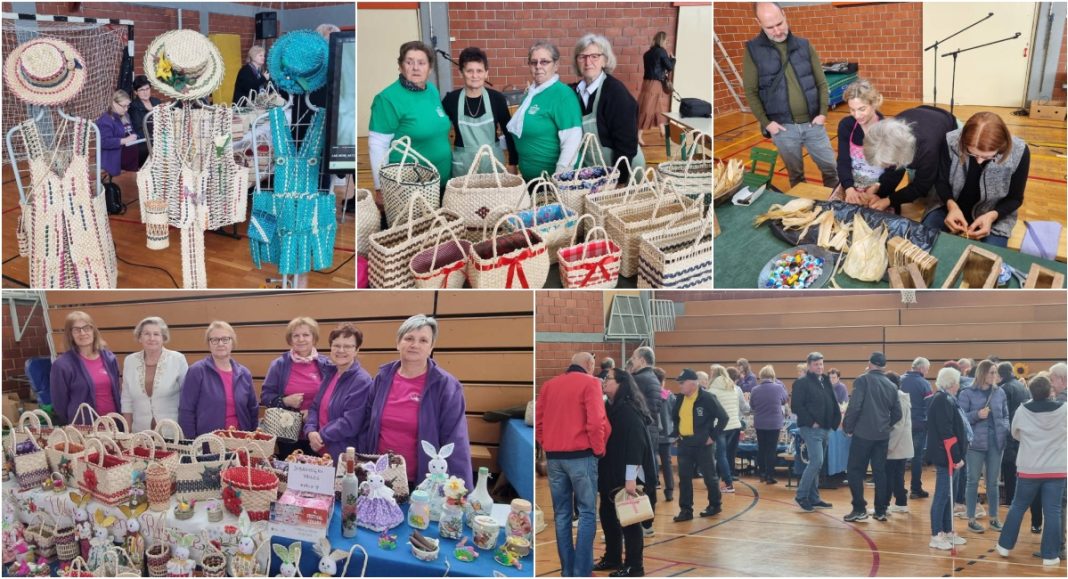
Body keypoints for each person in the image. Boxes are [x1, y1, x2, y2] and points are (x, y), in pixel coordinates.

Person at [360, 315, 473, 488]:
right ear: (398, 343)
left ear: (431, 347)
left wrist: (459, 491)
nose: (415, 345)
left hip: (423, 482)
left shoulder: (446, 385)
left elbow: (455, 441)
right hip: (380, 478)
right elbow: (367, 424)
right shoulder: (382, 378)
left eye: (423, 340)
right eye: (409, 338)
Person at [742, 2, 837, 188]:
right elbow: (751, 92)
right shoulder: (753, 50)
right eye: (770, 27)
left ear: (784, 15)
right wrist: (767, 123)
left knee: (831, 170)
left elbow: (821, 83)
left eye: (779, 24)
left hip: (813, 124)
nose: (777, 31)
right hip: (783, 129)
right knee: (796, 177)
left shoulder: (804, 45)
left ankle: (834, 208)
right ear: (758, 22)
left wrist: (822, 113)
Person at [536, 352, 608, 578]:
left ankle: (567, 571)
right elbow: (596, 422)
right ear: (588, 364)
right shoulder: (591, 383)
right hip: (581, 456)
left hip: (555, 457)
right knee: (587, 512)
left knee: (562, 514)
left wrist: (547, 443)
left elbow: (538, 421)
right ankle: (582, 571)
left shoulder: (549, 385)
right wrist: (598, 449)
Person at [924, 112, 1030, 247]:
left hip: (994, 214)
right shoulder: (951, 141)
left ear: (1002, 146)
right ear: (963, 141)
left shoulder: (1019, 151)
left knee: (989, 259)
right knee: (925, 242)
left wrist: (992, 216)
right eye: (972, 153)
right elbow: (941, 182)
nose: (979, 161)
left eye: (987, 157)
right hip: (947, 206)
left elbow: (1015, 199)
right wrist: (952, 206)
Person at [995, 374, 1066, 566]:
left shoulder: (1022, 410)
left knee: (1018, 506)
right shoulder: (1065, 409)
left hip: (1029, 467)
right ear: (1050, 391)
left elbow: (1015, 433)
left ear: (1030, 392)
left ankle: (1004, 546)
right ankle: (1050, 556)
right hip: (1057, 468)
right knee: (1053, 511)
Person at [368, 41, 453, 200]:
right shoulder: (387, 99)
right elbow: (377, 145)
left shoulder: (431, 90)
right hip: (409, 188)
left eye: (421, 63)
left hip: (441, 181)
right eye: (409, 62)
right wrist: (380, 187)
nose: (415, 68)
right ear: (400, 66)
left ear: (430, 69)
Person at [595, 369, 657, 578]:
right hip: (609, 472)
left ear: (621, 384)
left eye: (608, 379)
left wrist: (630, 478)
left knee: (630, 520)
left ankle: (635, 566)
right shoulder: (609, 407)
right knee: (608, 515)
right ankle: (613, 557)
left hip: (627, 475)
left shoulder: (628, 411)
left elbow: (636, 446)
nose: (604, 381)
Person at [569, 33, 642, 182]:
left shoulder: (615, 92)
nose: (588, 62)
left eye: (594, 56)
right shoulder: (575, 92)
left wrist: (619, 180)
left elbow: (626, 144)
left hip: (623, 171)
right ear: (577, 62)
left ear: (605, 60)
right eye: (582, 57)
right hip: (596, 173)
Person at [506, 41, 582, 181]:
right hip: (532, 181)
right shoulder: (530, 95)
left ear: (556, 65)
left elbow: (572, 142)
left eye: (544, 62)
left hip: (552, 183)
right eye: (534, 62)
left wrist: (560, 180)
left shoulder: (563, 95)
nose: (538, 67)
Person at [861, 105, 958, 214]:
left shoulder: (928, 149)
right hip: (922, 115)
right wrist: (879, 191)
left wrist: (889, 200)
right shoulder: (887, 132)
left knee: (932, 193)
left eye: (886, 164)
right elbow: (893, 170)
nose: (885, 167)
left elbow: (921, 186)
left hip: (946, 123)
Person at [842, 352, 902, 522]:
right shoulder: (891, 386)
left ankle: (859, 508)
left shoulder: (863, 380)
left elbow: (854, 406)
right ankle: (881, 510)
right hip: (882, 436)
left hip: (863, 434)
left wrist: (848, 427)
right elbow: (897, 414)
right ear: (884, 366)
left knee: (855, 471)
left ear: (869, 364)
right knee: (880, 472)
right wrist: (886, 425)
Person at [441, 47, 517, 176]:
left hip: (493, 164)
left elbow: (509, 133)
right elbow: (439, 131)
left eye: (479, 71)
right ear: (461, 73)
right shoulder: (451, 100)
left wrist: (513, 163)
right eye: (469, 71)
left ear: (486, 73)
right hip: (463, 167)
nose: (475, 76)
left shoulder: (497, 99)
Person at [261, 317, 331, 458]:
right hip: (286, 434)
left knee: (315, 474)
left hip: (317, 434)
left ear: (314, 338)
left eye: (306, 335)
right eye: (296, 335)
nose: (301, 339)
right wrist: (286, 401)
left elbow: (333, 398)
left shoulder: (326, 365)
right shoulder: (279, 365)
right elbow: (265, 396)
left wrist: (313, 413)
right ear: (290, 339)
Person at [304, 324, 373, 461]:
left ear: (357, 350)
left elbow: (350, 423)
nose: (341, 350)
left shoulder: (362, 381)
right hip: (321, 451)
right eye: (336, 345)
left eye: (347, 346)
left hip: (342, 455)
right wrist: (310, 430)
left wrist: (320, 435)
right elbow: (315, 407)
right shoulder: (330, 374)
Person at [831, 79, 905, 205]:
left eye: (862, 109)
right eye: (852, 110)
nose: (857, 115)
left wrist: (877, 189)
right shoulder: (846, 125)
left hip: (879, 189)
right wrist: (849, 188)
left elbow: (896, 170)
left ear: (874, 104)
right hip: (851, 185)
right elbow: (843, 161)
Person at [178, 321, 257, 437]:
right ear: (209, 344)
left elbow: (253, 410)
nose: (220, 343)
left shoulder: (244, 374)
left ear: (232, 342)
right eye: (214, 340)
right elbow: (186, 411)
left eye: (225, 339)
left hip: (241, 444)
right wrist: (192, 444)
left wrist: (252, 439)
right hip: (208, 446)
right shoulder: (197, 371)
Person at [958, 359, 1009, 533]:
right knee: (972, 481)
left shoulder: (1000, 392)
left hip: (996, 444)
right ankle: (971, 519)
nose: (995, 376)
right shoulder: (967, 393)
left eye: (996, 373)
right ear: (982, 373)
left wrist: (1004, 428)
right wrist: (977, 415)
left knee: (993, 483)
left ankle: (994, 518)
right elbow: (962, 418)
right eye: (991, 372)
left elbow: (1006, 415)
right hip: (975, 445)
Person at [670, 368, 727, 522]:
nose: (680, 386)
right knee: (684, 478)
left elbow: (723, 418)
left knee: (710, 477)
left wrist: (712, 437)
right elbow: (675, 417)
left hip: (703, 445)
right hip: (685, 444)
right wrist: (676, 433)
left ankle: (715, 505)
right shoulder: (680, 399)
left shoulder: (707, 398)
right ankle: (686, 510)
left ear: (693, 383)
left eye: (682, 383)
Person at [49, 311, 121, 426]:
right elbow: (59, 404)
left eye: (86, 328)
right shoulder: (62, 365)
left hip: (114, 424)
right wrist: (75, 423)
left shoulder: (110, 359)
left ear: (93, 330)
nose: (82, 333)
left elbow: (116, 390)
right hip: (84, 428)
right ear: (70, 334)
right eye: (76, 330)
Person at [121, 317, 189, 432]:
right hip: (140, 433)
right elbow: (126, 400)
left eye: (156, 334)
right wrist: (127, 433)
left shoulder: (178, 359)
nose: (151, 338)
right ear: (140, 337)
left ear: (163, 337)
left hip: (172, 432)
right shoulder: (130, 361)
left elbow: (188, 398)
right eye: (147, 334)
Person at [792, 352, 841, 512]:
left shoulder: (825, 380)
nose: (819, 367)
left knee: (817, 464)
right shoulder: (802, 382)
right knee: (816, 462)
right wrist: (811, 422)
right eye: (816, 364)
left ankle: (814, 497)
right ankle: (801, 495)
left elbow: (832, 401)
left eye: (821, 364)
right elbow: (796, 406)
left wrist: (835, 420)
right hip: (811, 429)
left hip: (826, 428)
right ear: (809, 366)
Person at [927, 367, 970, 550]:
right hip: (946, 456)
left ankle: (948, 529)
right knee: (942, 495)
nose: (959, 385)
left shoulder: (948, 399)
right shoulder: (942, 400)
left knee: (950, 495)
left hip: (952, 455)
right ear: (951, 383)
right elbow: (947, 432)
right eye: (958, 381)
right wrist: (956, 456)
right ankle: (937, 534)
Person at [629, 347, 663, 500]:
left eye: (634, 358)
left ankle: (639, 513)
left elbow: (631, 404)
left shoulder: (639, 379)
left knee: (637, 474)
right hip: (652, 428)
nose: (632, 361)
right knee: (647, 470)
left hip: (642, 430)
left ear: (642, 360)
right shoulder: (653, 377)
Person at [998, 362, 1030, 512]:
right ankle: (1017, 497)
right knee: (1017, 467)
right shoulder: (1021, 386)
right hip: (1021, 432)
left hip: (1009, 432)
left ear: (1000, 375)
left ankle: (1010, 499)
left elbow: (1001, 413)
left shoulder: (1005, 388)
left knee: (1009, 467)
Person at [901, 357, 933, 499]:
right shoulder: (924, 383)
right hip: (919, 424)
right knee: (917, 458)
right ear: (921, 369)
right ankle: (915, 489)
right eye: (927, 369)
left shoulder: (900, 380)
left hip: (901, 425)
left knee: (900, 457)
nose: (927, 372)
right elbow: (930, 406)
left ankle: (899, 487)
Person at [751, 365, 788, 484]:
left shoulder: (755, 389)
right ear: (773, 376)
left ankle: (761, 474)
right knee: (771, 450)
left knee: (761, 448)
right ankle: (769, 476)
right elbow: (785, 400)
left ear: (761, 376)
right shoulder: (779, 387)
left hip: (760, 422)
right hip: (774, 423)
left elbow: (752, 406)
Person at [637, 31, 675, 147]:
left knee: (656, 106)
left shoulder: (647, 53)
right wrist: (673, 59)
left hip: (646, 82)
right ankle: (638, 135)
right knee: (647, 108)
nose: (667, 43)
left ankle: (662, 128)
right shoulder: (662, 51)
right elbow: (669, 67)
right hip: (655, 83)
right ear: (662, 40)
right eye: (666, 41)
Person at [709, 365, 742, 493]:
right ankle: (719, 478)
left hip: (721, 426)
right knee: (727, 455)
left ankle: (728, 483)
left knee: (720, 455)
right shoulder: (733, 387)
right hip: (734, 425)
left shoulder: (712, 390)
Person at [886, 370, 914, 514]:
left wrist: (889, 447)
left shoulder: (899, 398)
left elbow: (898, 424)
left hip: (897, 443)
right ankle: (900, 502)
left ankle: (885, 505)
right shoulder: (900, 396)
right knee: (897, 475)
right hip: (901, 444)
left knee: (890, 475)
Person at [95, 90, 139, 178]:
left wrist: (134, 135)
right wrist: (125, 140)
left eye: (128, 106)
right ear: (114, 103)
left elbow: (131, 130)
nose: (126, 109)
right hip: (115, 158)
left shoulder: (126, 115)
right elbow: (104, 142)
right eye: (123, 106)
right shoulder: (105, 120)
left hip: (129, 156)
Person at [653, 367, 676, 502]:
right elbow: (675, 414)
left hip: (653, 433)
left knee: (652, 460)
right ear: (663, 381)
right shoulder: (670, 396)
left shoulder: (648, 395)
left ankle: (654, 484)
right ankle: (669, 491)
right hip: (667, 434)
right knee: (667, 463)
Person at [128, 75, 160, 166]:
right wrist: (154, 138)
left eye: (147, 89)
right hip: (145, 139)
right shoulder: (134, 107)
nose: (145, 92)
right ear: (135, 92)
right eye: (141, 90)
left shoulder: (156, 102)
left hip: (159, 136)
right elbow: (139, 129)